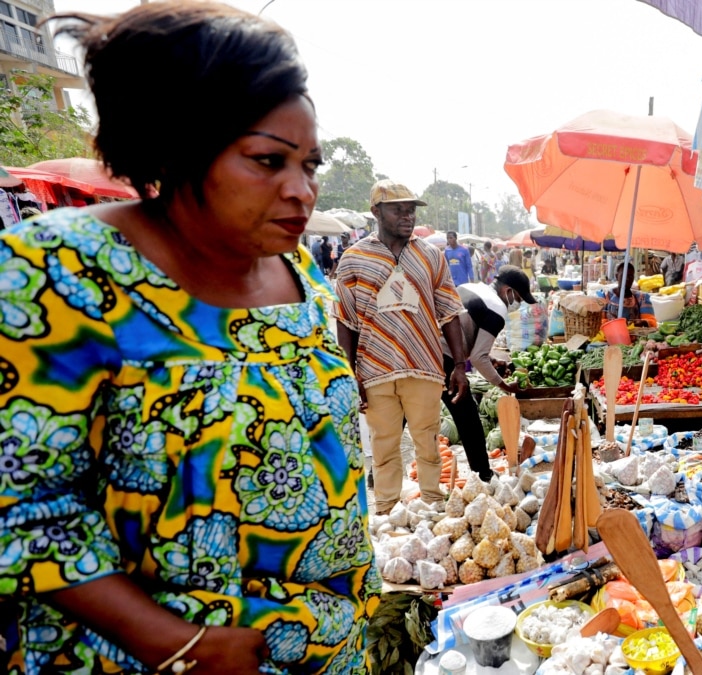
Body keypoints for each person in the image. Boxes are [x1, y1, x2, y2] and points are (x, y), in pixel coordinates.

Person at [0, 3, 377, 673]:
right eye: (268, 161)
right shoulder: (60, 271)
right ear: (178, 146)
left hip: (328, 652)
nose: (301, 192)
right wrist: (175, 643)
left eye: (309, 165)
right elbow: (28, 508)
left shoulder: (304, 279)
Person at [335, 179, 469, 512]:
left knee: (427, 441)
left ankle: (434, 507)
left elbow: (449, 312)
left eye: (410, 210)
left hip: (423, 364)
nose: (407, 217)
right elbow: (345, 320)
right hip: (374, 369)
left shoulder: (431, 256)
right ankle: (386, 511)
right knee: (384, 447)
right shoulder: (353, 260)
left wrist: (461, 366)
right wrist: (348, 371)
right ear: (376, 212)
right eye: (398, 210)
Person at [436, 265, 537, 480]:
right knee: (468, 418)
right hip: (445, 359)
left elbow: (469, 338)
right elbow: (479, 359)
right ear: (507, 290)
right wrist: (503, 385)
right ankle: (483, 473)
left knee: (407, 410)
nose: (515, 303)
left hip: (425, 351)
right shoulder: (497, 308)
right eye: (517, 297)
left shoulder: (470, 287)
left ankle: (375, 474)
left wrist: (492, 359)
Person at [603, 262, 656, 327]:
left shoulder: (642, 298)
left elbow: (651, 321)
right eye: (624, 276)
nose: (627, 279)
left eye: (630, 276)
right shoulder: (605, 296)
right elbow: (599, 320)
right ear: (617, 276)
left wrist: (643, 322)